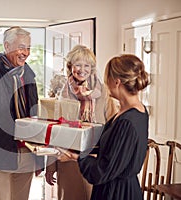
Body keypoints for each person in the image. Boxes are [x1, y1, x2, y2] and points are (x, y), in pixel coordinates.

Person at [58, 54, 150, 200]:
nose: (105, 84)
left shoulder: (127, 121)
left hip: (117, 193)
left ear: (117, 82)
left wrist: (75, 157)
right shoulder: (135, 112)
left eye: (107, 79)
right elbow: (110, 149)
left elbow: (102, 171)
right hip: (116, 188)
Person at [0, 26, 44, 200]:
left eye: (28, 47)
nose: (25, 52)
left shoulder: (29, 76)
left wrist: (39, 159)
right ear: (6, 46)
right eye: (21, 47)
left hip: (27, 155)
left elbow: (35, 118)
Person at [45, 45, 102, 200]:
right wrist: (50, 167)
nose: (82, 69)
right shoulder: (63, 94)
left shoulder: (104, 94)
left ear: (92, 68)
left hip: (95, 163)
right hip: (67, 161)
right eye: (77, 64)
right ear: (70, 67)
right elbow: (55, 131)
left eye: (86, 65)